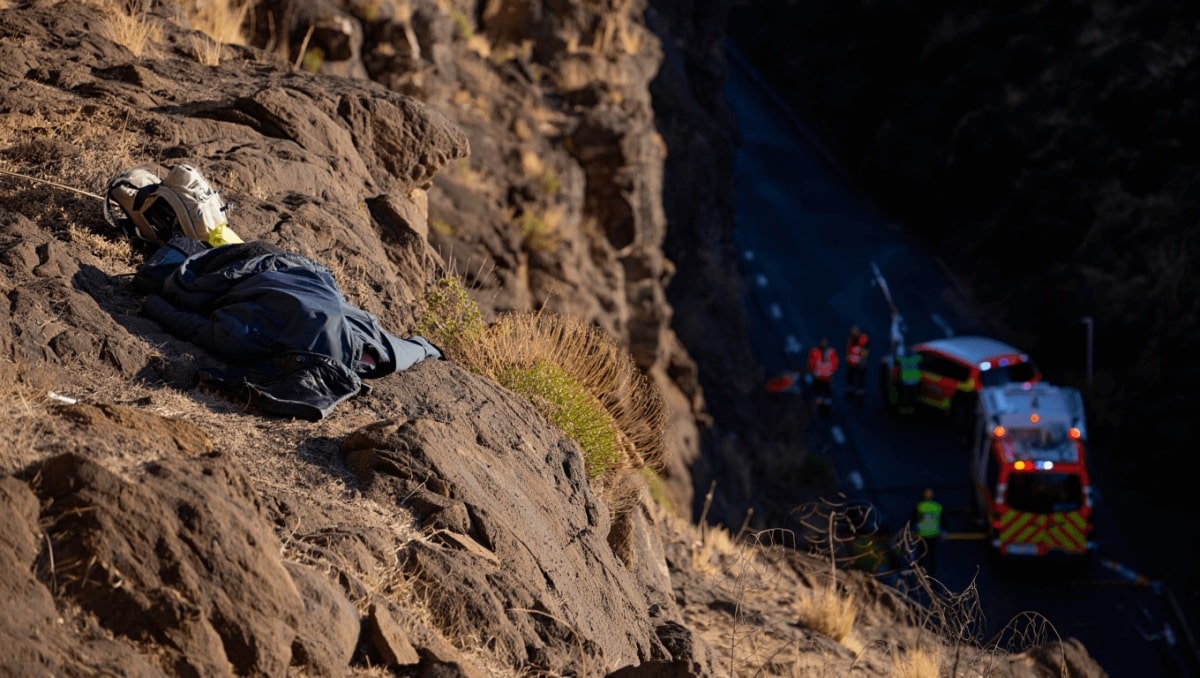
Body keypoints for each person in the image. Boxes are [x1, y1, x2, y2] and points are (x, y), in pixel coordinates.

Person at [912, 488, 943, 576]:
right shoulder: (937, 506)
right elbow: (942, 519)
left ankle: (920, 575)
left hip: (922, 534)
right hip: (933, 534)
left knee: (921, 556)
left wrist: (913, 531)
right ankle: (932, 576)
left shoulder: (920, 506)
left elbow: (914, 519)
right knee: (932, 557)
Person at [807, 337, 839, 410]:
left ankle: (826, 406)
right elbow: (811, 362)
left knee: (826, 391)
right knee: (819, 391)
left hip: (825, 377)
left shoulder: (830, 352)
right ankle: (820, 406)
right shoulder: (815, 351)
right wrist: (813, 371)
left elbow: (835, 362)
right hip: (819, 376)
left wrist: (831, 371)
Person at [895, 344, 921, 415]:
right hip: (914, 380)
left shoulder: (902, 357)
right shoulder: (916, 357)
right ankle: (911, 410)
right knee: (912, 396)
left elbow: (897, 360)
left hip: (906, 380)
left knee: (905, 396)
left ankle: (903, 410)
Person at [844, 325, 869, 397]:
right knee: (850, 376)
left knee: (860, 377)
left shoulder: (863, 339)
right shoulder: (850, 340)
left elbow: (865, 351)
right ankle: (850, 389)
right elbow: (848, 349)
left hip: (860, 362)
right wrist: (848, 358)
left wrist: (863, 361)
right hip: (852, 362)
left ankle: (860, 391)